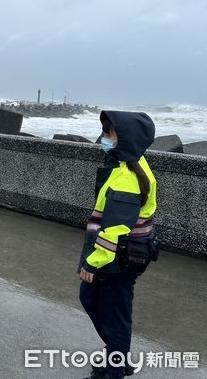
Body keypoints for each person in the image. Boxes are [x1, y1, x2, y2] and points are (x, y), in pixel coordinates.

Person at [78, 111, 158, 379]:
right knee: (93, 300)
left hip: (116, 259)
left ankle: (115, 369)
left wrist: (93, 262)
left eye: (110, 134)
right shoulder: (128, 164)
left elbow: (115, 229)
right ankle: (117, 354)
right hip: (118, 256)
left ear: (125, 139)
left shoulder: (128, 179)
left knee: (114, 313)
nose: (105, 138)